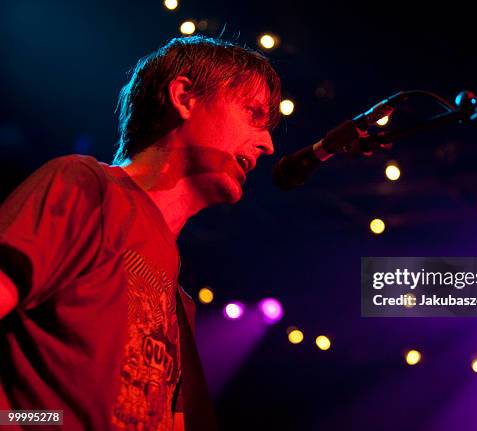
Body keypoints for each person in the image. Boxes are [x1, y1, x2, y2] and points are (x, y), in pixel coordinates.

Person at [0, 35, 281, 430]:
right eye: (253, 112)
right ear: (184, 97)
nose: (268, 143)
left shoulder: (178, 303)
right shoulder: (86, 188)